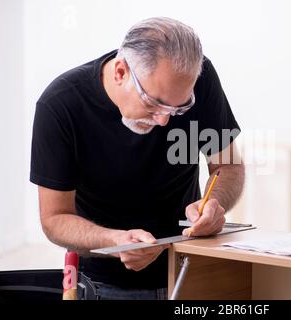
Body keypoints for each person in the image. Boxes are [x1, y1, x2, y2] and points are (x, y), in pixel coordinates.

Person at [30, 17, 244, 300]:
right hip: (101, 285)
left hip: (189, 270)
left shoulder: (197, 80)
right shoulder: (61, 105)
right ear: (120, 71)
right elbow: (55, 219)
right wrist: (115, 241)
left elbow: (228, 165)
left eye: (179, 108)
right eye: (153, 103)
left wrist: (214, 202)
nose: (165, 119)